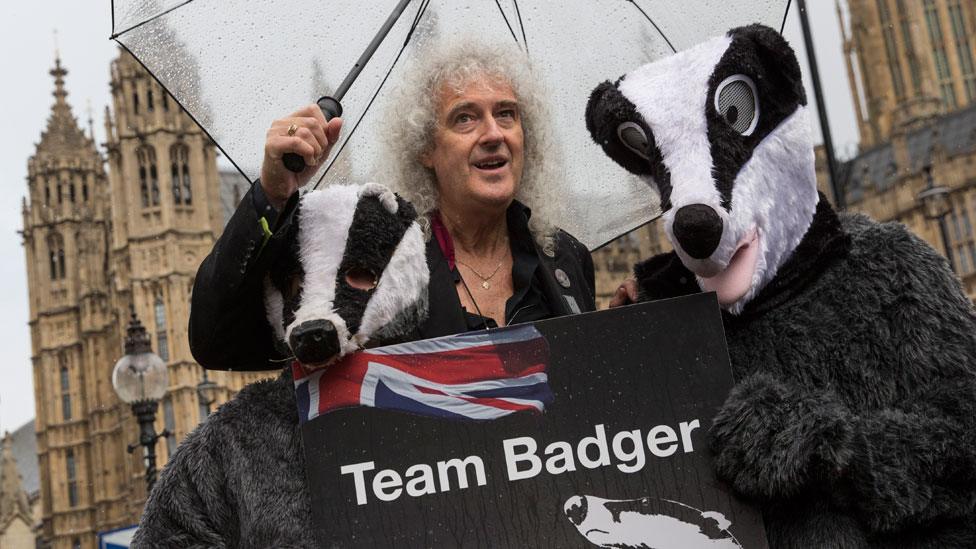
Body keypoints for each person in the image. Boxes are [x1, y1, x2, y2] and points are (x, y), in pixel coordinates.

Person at [132, 43, 596, 547]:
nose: (493, 134)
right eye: (465, 119)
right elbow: (215, 338)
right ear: (425, 147)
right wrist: (274, 190)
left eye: (506, 114)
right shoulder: (376, 257)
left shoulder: (564, 261)